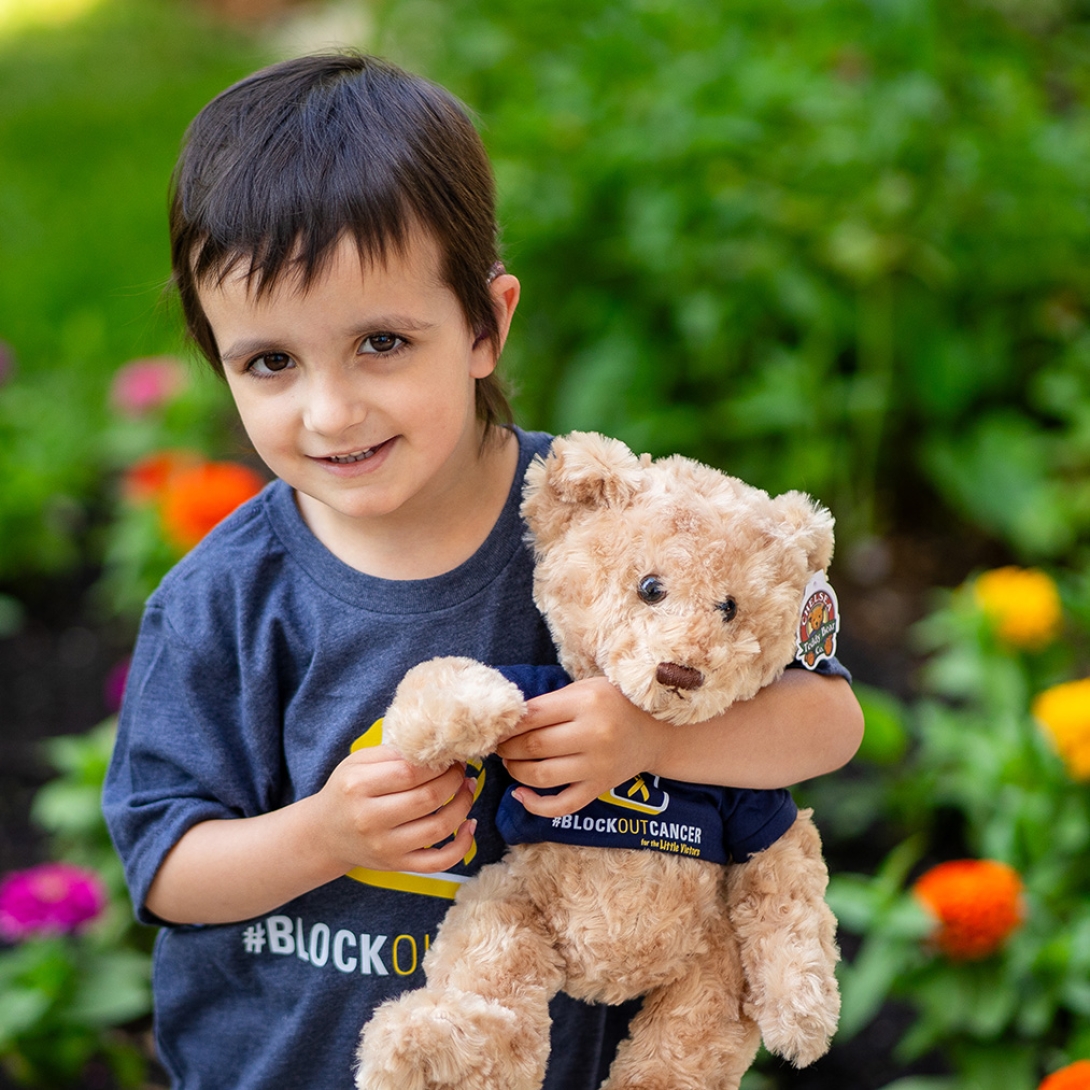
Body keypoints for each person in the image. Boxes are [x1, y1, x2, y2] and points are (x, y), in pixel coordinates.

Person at [102, 50, 864, 1090]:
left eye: (381, 341)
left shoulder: (613, 524)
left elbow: (829, 721)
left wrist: (646, 731)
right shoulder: (222, 602)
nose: (329, 412)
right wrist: (325, 833)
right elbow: (169, 867)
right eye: (270, 361)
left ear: (484, 325)